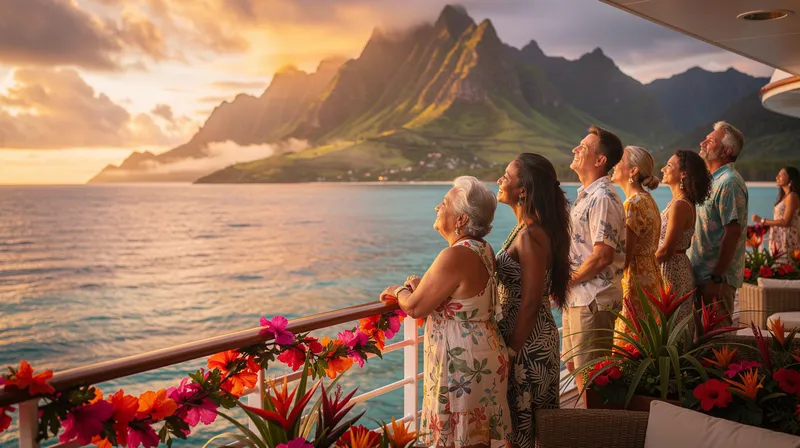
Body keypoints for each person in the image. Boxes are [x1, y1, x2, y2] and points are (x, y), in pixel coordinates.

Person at [383, 176, 510, 448]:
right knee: (475, 440)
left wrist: (397, 291)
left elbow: (415, 307)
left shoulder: (455, 255)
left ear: (461, 219)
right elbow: (457, 295)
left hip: (461, 364)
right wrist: (421, 288)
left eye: (443, 204)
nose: (437, 208)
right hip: (480, 355)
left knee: (461, 440)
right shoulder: (482, 248)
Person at [495, 153, 571, 448]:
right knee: (525, 429)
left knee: (524, 433)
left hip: (527, 344)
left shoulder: (531, 235)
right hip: (532, 336)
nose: (500, 181)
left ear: (522, 190)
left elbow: (530, 302)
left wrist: (510, 352)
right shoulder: (529, 228)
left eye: (506, 177)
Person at [563, 125, 625, 392]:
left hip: (592, 299)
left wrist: (565, 282)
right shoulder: (586, 196)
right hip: (578, 296)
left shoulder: (603, 199)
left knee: (591, 377)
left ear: (600, 161)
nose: (576, 150)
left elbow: (602, 256)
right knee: (574, 367)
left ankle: (596, 431)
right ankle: (588, 426)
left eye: (584, 148)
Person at [689, 121, 748, 326]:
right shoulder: (712, 181)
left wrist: (716, 279)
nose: (703, 142)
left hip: (715, 282)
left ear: (726, 151)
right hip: (701, 278)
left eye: (711, 140)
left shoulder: (729, 182)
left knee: (715, 347)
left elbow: (732, 234)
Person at [655, 150, 712, 333]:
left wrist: (641, 265)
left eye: (669, 165)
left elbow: (667, 250)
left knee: (672, 328)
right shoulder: (680, 202)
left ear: (683, 173)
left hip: (671, 270)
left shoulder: (680, 205)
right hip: (676, 267)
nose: (663, 169)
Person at [610, 145, 661, 335]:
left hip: (635, 281)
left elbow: (624, 257)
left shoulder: (632, 204)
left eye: (620, 161)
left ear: (633, 170)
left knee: (630, 338)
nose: (614, 164)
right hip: (651, 276)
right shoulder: (647, 200)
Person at [752, 167, 800, 260]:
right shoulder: (785, 196)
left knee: (785, 269)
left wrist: (762, 220)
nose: (777, 177)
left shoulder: (792, 197)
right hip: (779, 238)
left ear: (790, 179)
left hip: (787, 239)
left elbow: (786, 222)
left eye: (781, 175)